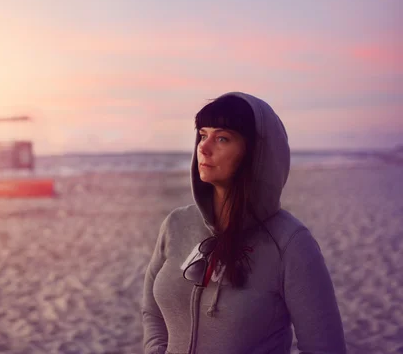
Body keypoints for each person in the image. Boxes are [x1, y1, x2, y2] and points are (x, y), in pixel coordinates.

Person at [141, 92, 346, 354]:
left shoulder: (291, 244)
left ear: (256, 153)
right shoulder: (176, 224)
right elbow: (152, 310)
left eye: (222, 138)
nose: (203, 147)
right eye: (203, 135)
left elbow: (325, 347)